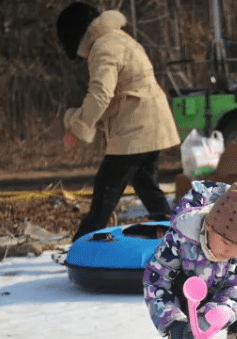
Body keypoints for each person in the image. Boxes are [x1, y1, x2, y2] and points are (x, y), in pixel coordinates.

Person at [56, 3, 180, 241]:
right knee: (146, 185)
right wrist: (97, 120)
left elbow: (101, 95)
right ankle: (175, 238)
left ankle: (84, 245)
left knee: (106, 189)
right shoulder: (119, 39)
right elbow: (119, 92)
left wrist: (78, 125)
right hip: (152, 123)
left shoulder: (103, 47)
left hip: (136, 128)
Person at [143, 180, 237, 339]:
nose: (230, 252)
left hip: (222, 291)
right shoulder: (181, 236)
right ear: (210, 226)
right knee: (181, 282)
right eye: (227, 243)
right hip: (190, 295)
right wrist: (172, 323)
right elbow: (156, 280)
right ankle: (188, 337)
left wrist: (221, 312)